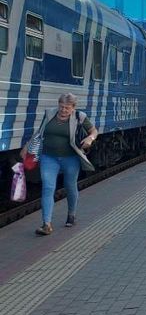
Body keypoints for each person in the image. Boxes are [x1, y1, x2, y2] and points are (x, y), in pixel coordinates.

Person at [23, 93, 97, 235]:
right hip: (49, 157)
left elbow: (94, 131)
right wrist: (27, 147)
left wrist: (90, 138)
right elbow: (40, 132)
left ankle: (71, 215)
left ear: (73, 108)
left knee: (70, 186)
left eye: (67, 108)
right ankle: (46, 224)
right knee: (48, 187)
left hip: (71, 159)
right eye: (61, 107)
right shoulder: (49, 114)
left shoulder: (79, 116)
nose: (63, 110)